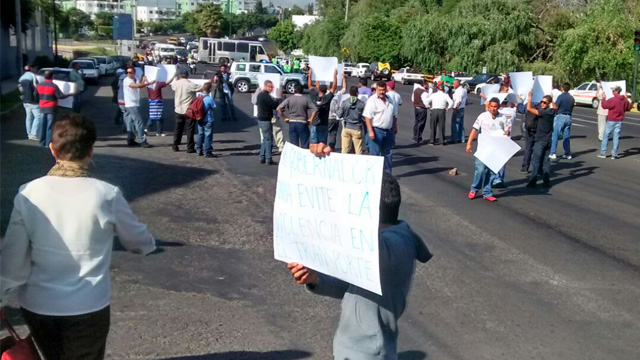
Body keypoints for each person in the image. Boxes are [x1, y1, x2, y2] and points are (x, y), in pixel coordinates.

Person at [0, 114, 156, 360]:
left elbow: (13, 256)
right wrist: (148, 244)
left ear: (53, 149)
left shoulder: (29, 193)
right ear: (91, 150)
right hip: (88, 306)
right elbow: (138, 242)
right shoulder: (106, 195)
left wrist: (1, 294)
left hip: (38, 305)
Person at [286, 173, 432, 360]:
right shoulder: (375, 248)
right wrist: (315, 279)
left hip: (368, 352)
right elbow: (351, 285)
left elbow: (345, 230)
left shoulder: (395, 245)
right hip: (353, 347)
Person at [466, 98, 509, 202]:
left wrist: (505, 134)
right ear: (489, 106)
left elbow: (507, 131)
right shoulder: (483, 116)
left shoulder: (503, 118)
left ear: (498, 107)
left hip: (496, 149)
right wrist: (469, 143)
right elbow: (475, 129)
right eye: (492, 106)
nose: (493, 109)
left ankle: (487, 192)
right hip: (483, 149)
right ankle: (474, 189)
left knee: (492, 172)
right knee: (480, 170)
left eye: (495, 107)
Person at [364, 81, 398, 174]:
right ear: (376, 89)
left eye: (383, 90)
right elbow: (367, 117)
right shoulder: (372, 100)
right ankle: (373, 176)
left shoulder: (390, 99)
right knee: (375, 156)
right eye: (380, 90)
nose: (381, 92)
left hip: (388, 131)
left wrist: (395, 126)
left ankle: (387, 176)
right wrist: (370, 131)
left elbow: (394, 115)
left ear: (386, 89)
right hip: (376, 131)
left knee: (387, 155)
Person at [526, 91, 556, 187]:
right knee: (546, 161)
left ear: (548, 104)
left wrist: (530, 97)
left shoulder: (544, 112)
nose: (542, 104)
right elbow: (555, 107)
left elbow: (528, 108)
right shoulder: (552, 111)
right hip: (548, 140)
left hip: (540, 140)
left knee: (536, 161)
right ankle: (546, 181)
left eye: (545, 102)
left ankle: (533, 180)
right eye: (541, 102)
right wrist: (552, 98)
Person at [36, 70, 73, 148]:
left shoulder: (39, 85)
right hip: (51, 108)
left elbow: (35, 95)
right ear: (52, 77)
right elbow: (60, 96)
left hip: (42, 107)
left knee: (42, 125)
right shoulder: (54, 86)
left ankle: (41, 142)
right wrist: (69, 94)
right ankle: (48, 143)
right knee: (49, 126)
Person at [122, 67, 155, 148]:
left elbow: (139, 86)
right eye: (128, 72)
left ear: (134, 73)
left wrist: (143, 81)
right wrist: (148, 83)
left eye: (130, 72)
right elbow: (137, 86)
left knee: (131, 123)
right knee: (139, 122)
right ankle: (142, 140)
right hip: (131, 104)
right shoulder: (127, 80)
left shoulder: (135, 79)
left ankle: (131, 139)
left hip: (132, 103)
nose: (129, 74)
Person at [277, 83, 317, 149]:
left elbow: (279, 108)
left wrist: (284, 118)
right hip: (302, 122)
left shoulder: (289, 99)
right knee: (304, 144)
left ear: (294, 90)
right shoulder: (306, 99)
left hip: (292, 122)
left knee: (294, 146)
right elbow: (315, 109)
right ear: (302, 90)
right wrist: (311, 119)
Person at [171, 69, 202, 153]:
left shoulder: (175, 84)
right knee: (189, 130)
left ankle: (175, 145)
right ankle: (190, 147)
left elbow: (173, 86)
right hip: (188, 110)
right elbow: (200, 87)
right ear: (187, 75)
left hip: (178, 109)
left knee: (178, 129)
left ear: (180, 75)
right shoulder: (189, 84)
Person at [599, 86, 632, 159]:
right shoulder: (624, 100)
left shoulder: (613, 99)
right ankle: (614, 154)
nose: (612, 92)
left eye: (613, 90)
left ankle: (603, 152)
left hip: (611, 119)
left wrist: (603, 98)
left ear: (616, 91)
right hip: (619, 120)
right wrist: (627, 98)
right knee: (616, 137)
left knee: (606, 135)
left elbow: (604, 106)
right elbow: (629, 107)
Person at [308, 68, 337, 148]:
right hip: (324, 124)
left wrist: (310, 74)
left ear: (318, 89)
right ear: (326, 91)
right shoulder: (327, 99)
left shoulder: (314, 97)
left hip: (314, 124)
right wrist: (335, 75)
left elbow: (310, 86)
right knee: (322, 144)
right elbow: (334, 87)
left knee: (314, 144)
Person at [252, 85, 285, 154]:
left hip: (264, 115)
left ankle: (265, 150)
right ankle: (279, 147)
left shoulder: (259, 90)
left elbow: (254, 101)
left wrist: (254, 95)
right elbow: (281, 103)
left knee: (265, 134)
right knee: (277, 132)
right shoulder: (278, 87)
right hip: (273, 114)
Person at [256, 80, 281, 165]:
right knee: (268, 140)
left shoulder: (260, 95)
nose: (272, 88)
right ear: (265, 86)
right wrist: (278, 97)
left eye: (272, 87)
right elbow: (274, 105)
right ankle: (268, 158)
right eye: (270, 87)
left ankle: (262, 156)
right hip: (265, 119)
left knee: (265, 139)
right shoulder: (266, 96)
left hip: (261, 119)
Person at [337, 86, 366, 154]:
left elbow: (339, 115)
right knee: (358, 150)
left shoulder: (344, 102)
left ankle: (344, 163)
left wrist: (336, 109)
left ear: (349, 93)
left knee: (344, 149)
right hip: (357, 128)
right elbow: (365, 116)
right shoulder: (362, 104)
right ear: (357, 93)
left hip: (346, 127)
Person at [549, 82, 575, 160]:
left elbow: (556, 106)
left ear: (562, 88)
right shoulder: (571, 98)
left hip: (560, 116)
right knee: (566, 136)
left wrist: (552, 100)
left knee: (555, 135)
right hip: (569, 117)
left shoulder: (561, 97)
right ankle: (568, 153)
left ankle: (553, 152)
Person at [146, 72, 176, 137]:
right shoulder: (158, 84)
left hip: (151, 101)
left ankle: (147, 129)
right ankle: (159, 131)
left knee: (152, 116)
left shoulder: (148, 85)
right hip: (158, 101)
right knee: (159, 117)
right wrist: (173, 75)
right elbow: (168, 82)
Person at [195, 82, 218, 158]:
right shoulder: (209, 98)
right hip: (208, 119)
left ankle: (198, 149)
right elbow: (215, 107)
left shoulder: (199, 97)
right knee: (208, 136)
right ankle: (207, 151)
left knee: (200, 134)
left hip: (199, 118)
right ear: (210, 89)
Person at [18, 64, 40, 141]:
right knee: (38, 116)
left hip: (25, 100)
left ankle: (29, 133)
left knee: (29, 117)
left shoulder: (21, 77)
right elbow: (36, 88)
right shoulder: (33, 76)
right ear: (32, 68)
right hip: (32, 100)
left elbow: (20, 89)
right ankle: (34, 134)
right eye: (35, 68)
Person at [327, 72, 348, 150]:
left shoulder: (325, 95)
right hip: (335, 117)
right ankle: (331, 147)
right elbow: (344, 88)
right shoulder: (338, 94)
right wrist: (343, 79)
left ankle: (324, 147)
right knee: (333, 133)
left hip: (327, 117)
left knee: (325, 133)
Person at [520, 101, 539, 174]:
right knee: (538, 150)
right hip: (538, 129)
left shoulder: (529, 103)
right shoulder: (542, 104)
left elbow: (521, 110)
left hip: (530, 128)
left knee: (528, 149)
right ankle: (537, 169)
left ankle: (525, 167)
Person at [411, 79, 429, 143]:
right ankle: (418, 137)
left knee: (416, 122)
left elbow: (412, 99)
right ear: (424, 85)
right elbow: (426, 102)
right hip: (422, 108)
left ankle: (415, 136)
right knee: (421, 123)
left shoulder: (416, 90)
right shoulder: (424, 92)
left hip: (416, 108)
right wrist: (429, 107)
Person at [450, 79, 467, 144]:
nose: (453, 85)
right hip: (462, 108)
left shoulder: (458, 91)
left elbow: (458, 101)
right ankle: (461, 138)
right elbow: (466, 100)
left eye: (454, 83)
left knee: (455, 124)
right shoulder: (464, 90)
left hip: (458, 109)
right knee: (461, 124)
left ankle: (454, 139)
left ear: (458, 84)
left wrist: (455, 109)